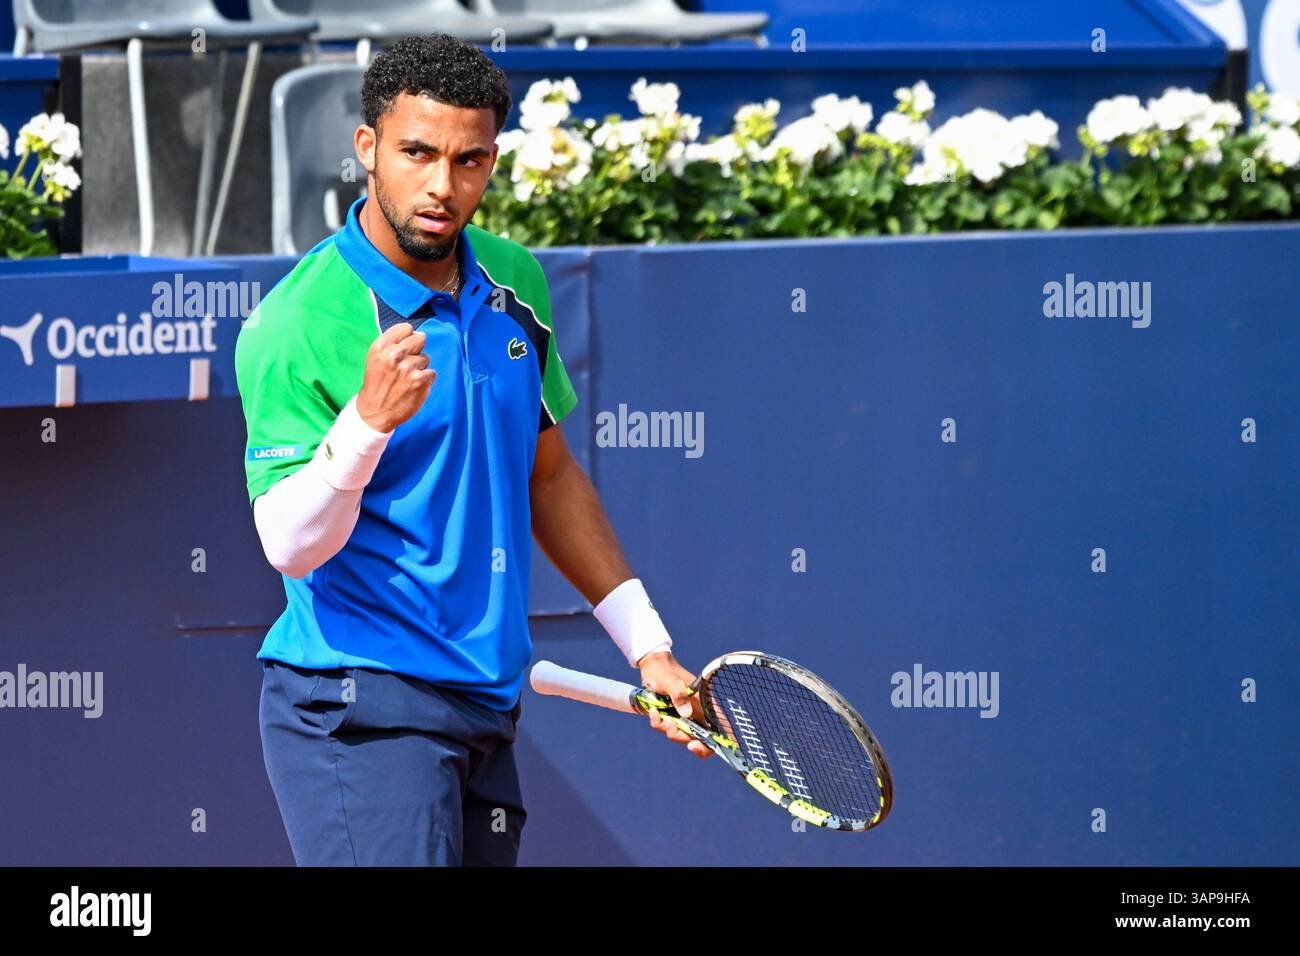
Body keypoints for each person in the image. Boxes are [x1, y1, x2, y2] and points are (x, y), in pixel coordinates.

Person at [234, 33, 708, 867]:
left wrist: (649, 646)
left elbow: (549, 475)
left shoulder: (514, 282)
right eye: (417, 153)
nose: (441, 186)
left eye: (469, 160)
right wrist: (365, 426)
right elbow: (288, 544)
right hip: (359, 709)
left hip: (485, 710)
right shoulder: (294, 324)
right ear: (367, 148)